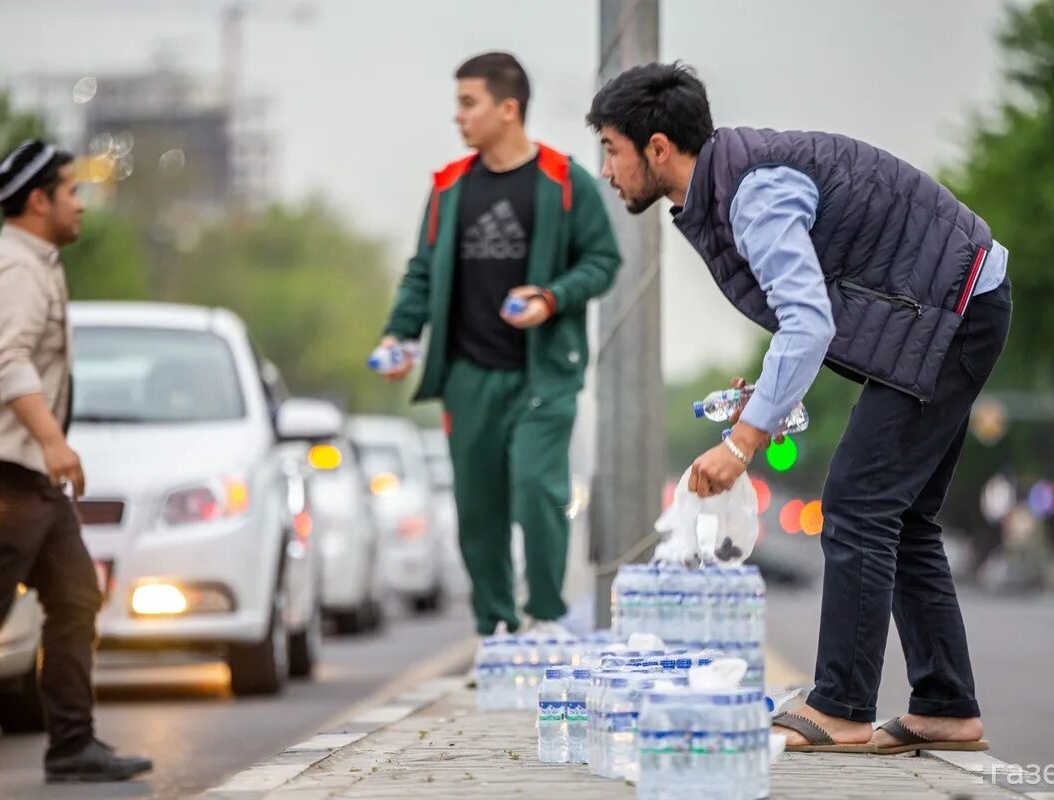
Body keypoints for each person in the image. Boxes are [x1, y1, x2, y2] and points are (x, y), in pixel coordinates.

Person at [588, 64, 1009, 754]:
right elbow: (819, 308)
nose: (607, 169)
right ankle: (945, 706)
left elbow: (807, 322)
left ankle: (842, 706)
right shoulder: (732, 184)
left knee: (858, 499)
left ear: (657, 147)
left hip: (952, 312)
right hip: (952, 308)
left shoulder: (753, 194)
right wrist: (768, 397)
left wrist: (742, 444)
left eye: (611, 148)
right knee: (899, 514)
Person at [377, 53, 621, 637]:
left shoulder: (565, 182)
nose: (458, 116)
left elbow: (603, 260)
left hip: (544, 376)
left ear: (508, 109)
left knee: (539, 489)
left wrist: (552, 297)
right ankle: (496, 630)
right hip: (467, 375)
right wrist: (400, 334)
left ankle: (546, 619)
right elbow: (420, 273)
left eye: (469, 102)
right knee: (478, 510)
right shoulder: (449, 188)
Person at [0, 139, 153, 782]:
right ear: (37, 200)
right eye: (72, 192)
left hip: (31, 480)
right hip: (4, 473)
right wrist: (53, 439)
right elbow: (9, 360)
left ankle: (73, 745)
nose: (81, 204)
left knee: (76, 595)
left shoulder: (37, 260)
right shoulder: (14, 267)